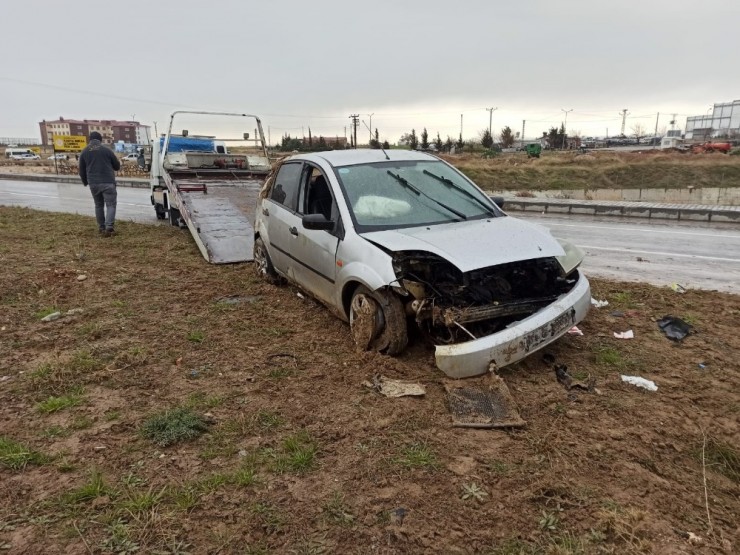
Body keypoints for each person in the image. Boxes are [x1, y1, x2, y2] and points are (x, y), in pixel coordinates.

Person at [79, 131, 121, 236]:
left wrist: (85, 182)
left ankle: (101, 228)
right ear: (100, 139)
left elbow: (81, 170)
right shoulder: (107, 150)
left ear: (90, 139)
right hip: (108, 182)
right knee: (111, 205)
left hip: (93, 183)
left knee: (98, 205)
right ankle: (109, 227)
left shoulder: (84, 152)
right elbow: (117, 166)